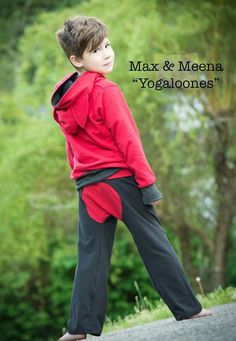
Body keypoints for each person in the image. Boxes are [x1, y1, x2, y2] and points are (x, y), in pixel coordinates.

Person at [51, 15, 212, 341]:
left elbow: (72, 147)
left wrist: (79, 177)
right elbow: (128, 141)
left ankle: (78, 328)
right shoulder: (107, 90)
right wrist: (147, 183)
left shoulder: (64, 103)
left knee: (91, 256)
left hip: (89, 185)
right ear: (77, 59)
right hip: (121, 180)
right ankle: (188, 308)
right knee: (154, 243)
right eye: (96, 50)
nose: (107, 53)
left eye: (107, 45)